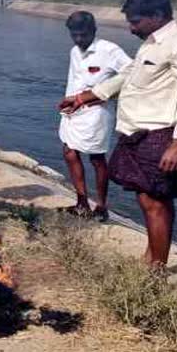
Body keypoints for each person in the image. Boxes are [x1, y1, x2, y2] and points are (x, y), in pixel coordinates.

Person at [62, 0, 177, 268]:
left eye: (135, 21)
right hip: (138, 134)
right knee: (147, 199)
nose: (131, 28)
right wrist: (84, 98)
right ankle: (151, 256)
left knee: (156, 202)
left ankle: (156, 270)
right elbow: (129, 75)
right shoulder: (152, 42)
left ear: (157, 15)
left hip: (162, 135)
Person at [58, 11, 131, 222]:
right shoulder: (74, 51)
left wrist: (107, 94)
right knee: (69, 152)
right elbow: (74, 79)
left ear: (94, 31)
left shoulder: (109, 50)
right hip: (73, 110)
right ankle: (81, 202)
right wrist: (68, 102)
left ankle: (101, 206)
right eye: (75, 35)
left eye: (83, 35)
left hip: (97, 113)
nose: (79, 40)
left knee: (97, 158)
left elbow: (133, 72)